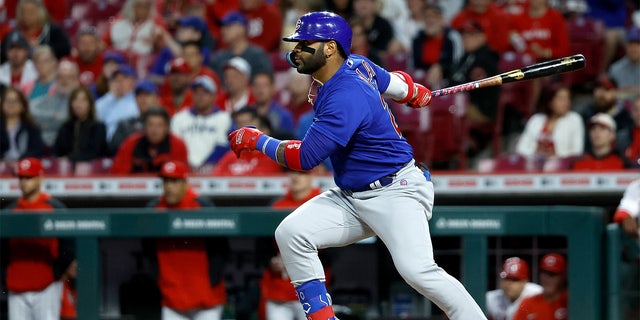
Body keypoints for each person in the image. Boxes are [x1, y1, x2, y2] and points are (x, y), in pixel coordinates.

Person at [227, 11, 486, 319]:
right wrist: (416, 92)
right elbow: (398, 84)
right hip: (353, 196)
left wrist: (258, 140)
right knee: (292, 233)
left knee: (418, 271)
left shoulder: (345, 94)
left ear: (330, 48)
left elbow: (304, 157)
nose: (294, 51)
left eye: (304, 43)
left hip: (395, 191)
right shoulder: (357, 63)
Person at [144, 160, 228, 320]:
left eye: (174, 181)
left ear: (185, 183)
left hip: (206, 298)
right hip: (171, 298)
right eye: (165, 181)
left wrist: (214, 279)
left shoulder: (202, 205)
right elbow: (147, 249)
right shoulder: (154, 209)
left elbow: (221, 248)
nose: (169, 187)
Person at [3, 157, 74, 320]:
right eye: (21, 177)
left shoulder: (54, 208)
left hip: (46, 286)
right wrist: (5, 275)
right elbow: (3, 249)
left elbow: (69, 247)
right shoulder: (10, 211)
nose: (24, 182)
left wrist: (55, 273)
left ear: (40, 178)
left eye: (29, 177)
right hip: (16, 285)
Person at [171, 75, 232, 168]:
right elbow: (175, 146)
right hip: (184, 168)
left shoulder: (224, 118)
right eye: (197, 93)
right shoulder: (179, 118)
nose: (200, 96)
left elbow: (222, 146)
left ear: (214, 96)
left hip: (213, 170)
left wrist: (205, 167)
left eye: (205, 93)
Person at [515, 82, 584, 159]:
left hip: (562, 168)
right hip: (534, 166)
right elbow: (521, 149)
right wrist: (536, 153)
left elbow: (577, 152)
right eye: (561, 99)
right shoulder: (536, 120)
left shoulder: (574, 120)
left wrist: (554, 156)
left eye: (568, 98)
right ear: (550, 101)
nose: (566, 103)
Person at [110, 106, 188, 174]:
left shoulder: (177, 145)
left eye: (159, 125)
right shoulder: (131, 143)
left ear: (167, 128)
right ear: (144, 127)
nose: (154, 130)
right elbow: (118, 174)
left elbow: (181, 176)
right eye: (150, 125)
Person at [213, 108, 282, 176]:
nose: (242, 129)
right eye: (239, 124)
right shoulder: (231, 156)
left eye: (246, 123)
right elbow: (215, 180)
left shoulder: (273, 156)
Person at [208, 11, 274, 81]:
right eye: (223, 27)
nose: (223, 30)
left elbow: (264, 84)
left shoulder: (258, 56)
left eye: (228, 26)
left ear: (242, 29)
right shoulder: (219, 58)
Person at [29, 59, 81, 147]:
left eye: (69, 77)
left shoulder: (82, 102)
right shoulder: (46, 99)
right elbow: (30, 111)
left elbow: (70, 121)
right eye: (60, 77)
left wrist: (46, 121)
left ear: (76, 80)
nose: (65, 80)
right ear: (55, 79)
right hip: (43, 145)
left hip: (71, 146)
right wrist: (54, 116)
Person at [0, 0, 71, 62]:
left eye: (30, 12)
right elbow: (3, 55)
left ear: (40, 12)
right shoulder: (13, 33)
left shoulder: (52, 31)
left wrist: (41, 48)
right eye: (23, 12)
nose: (26, 15)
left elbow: (65, 50)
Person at [52, 86, 108, 165]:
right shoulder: (65, 127)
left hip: (92, 170)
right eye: (75, 100)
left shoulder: (98, 127)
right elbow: (57, 151)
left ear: (90, 104)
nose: (78, 104)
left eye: (83, 100)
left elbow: (95, 152)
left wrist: (70, 158)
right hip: (65, 169)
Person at [411, 3, 463, 88]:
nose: (430, 20)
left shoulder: (452, 37)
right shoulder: (417, 38)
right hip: (421, 81)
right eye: (427, 17)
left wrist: (441, 68)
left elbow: (458, 63)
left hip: (449, 81)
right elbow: (413, 65)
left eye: (434, 17)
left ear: (442, 19)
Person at [512, 253, 568, 320]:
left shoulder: (569, 301)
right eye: (544, 273)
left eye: (552, 274)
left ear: (563, 276)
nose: (547, 279)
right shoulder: (528, 303)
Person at [110, 79, 159, 153]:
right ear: (135, 99)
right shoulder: (125, 125)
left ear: (156, 98)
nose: (143, 99)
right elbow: (113, 149)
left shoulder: (166, 122)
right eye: (139, 95)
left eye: (147, 94)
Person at [96, 64, 139, 143]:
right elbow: (95, 115)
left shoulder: (136, 101)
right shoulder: (107, 100)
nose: (119, 82)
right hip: (103, 144)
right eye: (115, 79)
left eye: (123, 79)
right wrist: (111, 96)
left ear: (133, 81)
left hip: (124, 142)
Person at [0, 87, 45, 161]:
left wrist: (21, 160)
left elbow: (37, 149)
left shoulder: (32, 127)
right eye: (7, 101)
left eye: (15, 101)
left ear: (23, 105)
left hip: (25, 165)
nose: (11, 104)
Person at [250, 71, 295, 136]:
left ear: (273, 88)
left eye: (265, 86)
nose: (260, 90)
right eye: (257, 85)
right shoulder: (247, 114)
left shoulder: (284, 116)